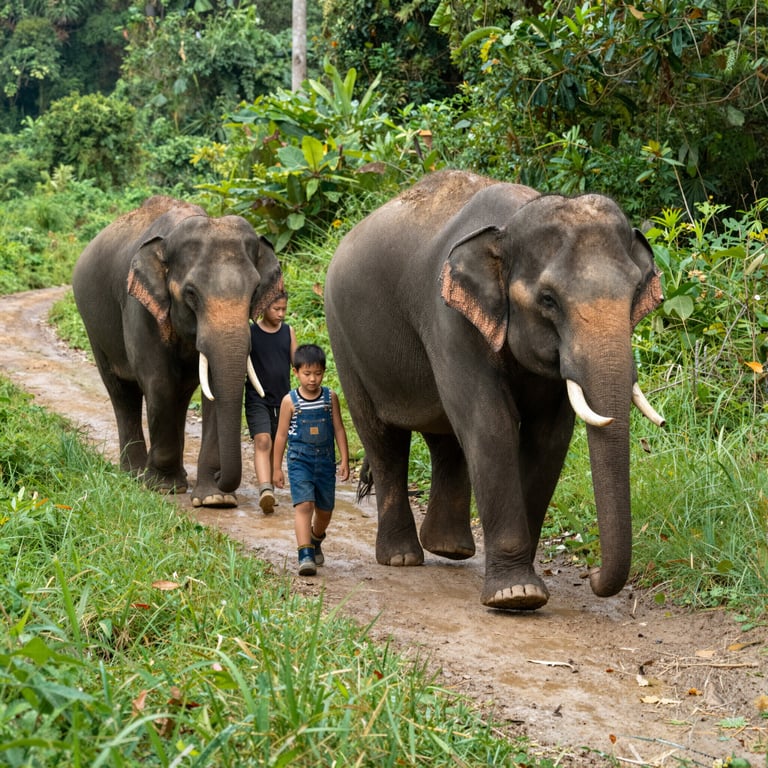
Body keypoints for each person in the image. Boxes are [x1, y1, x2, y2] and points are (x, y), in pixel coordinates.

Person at [272, 344, 350, 576]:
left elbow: (338, 428)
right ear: (295, 372)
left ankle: (316, 538)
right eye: (307, 374)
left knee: (325, 510)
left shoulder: (329, 398)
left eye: (317, 373)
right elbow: (281, 435)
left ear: (324, 372)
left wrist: (344, 459)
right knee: (304, 505)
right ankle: (305, 553)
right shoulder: (290, 401)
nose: (312, 379)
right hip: (300, 462)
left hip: (325, 463)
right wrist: (276, 468)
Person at [244, 292, 297, 514]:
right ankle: (265, 489)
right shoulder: (251, 332)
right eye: (276, 309)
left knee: (277, 443)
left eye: (284, 309)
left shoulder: (288, 332)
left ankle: (274, 478)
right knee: (263, 440)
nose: (281, 314)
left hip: (283, 399)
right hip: (258, 396)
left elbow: (297, 363)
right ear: (264, 307)